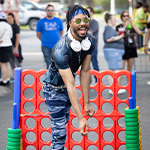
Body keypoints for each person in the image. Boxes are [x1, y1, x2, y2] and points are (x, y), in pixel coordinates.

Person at [43, 5, 95, 150]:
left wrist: (87, 103)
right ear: (69, 23)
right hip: (54, 90)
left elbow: (85, 72)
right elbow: (70, 84)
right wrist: (80, 118)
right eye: (77, 21)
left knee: (63, 123)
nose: (83, 23)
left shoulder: (89, 41)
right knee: (59, 131)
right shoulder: (61, 50)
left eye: (86, 20)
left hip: (67, 86)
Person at [103, 13, 125, 94]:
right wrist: (120, 36)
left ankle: (113, 88)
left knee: (113, 69)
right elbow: (108, 39)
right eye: (114, 19)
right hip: (113, 51)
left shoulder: (109, 28)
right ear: (109, 20)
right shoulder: (109, 28)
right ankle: (114, 89)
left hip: (113, 51)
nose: (115, 20)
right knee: (115, 69)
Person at [36, 4, 64, 69]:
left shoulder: (58, 20)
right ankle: (50, 78)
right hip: (45, 46)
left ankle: (57, 77)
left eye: (52, 10)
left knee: (57, 62)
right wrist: (44, 40)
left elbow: (61, 32)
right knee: (48, 63)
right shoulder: (41, 22)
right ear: (46, 11)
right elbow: (38, 34)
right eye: (49, 10)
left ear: (54, 11)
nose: (50, 12)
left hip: (57, 46)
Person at [7, 13, 23, 80]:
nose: (8, 20)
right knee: (11, 61)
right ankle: (14, 76)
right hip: (9, 45)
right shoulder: (7, 26)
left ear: (13, 18)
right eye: (7, 18)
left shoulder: (15, 26)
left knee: (18, 61)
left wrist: (16, 47)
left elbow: (17, 37)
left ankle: (20, 76)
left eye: (10, 18)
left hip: (15, 45)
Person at [86, 7, 100, 82]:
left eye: (88, 12)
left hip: (93, 47)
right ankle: (89, 81)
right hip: (85, 47)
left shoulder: (94, 22)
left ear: (92, 13)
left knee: (94, 64)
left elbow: (90, 33)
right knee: (86, 66)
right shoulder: (85, 22)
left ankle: (97, 80)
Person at [0, 11, 12, 85]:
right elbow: (10, 36)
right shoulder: (8, 25)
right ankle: (7, 78)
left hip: (2, 46)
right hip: (9, 45)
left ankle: (4, 80)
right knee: (6, 64)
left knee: (2, 64)